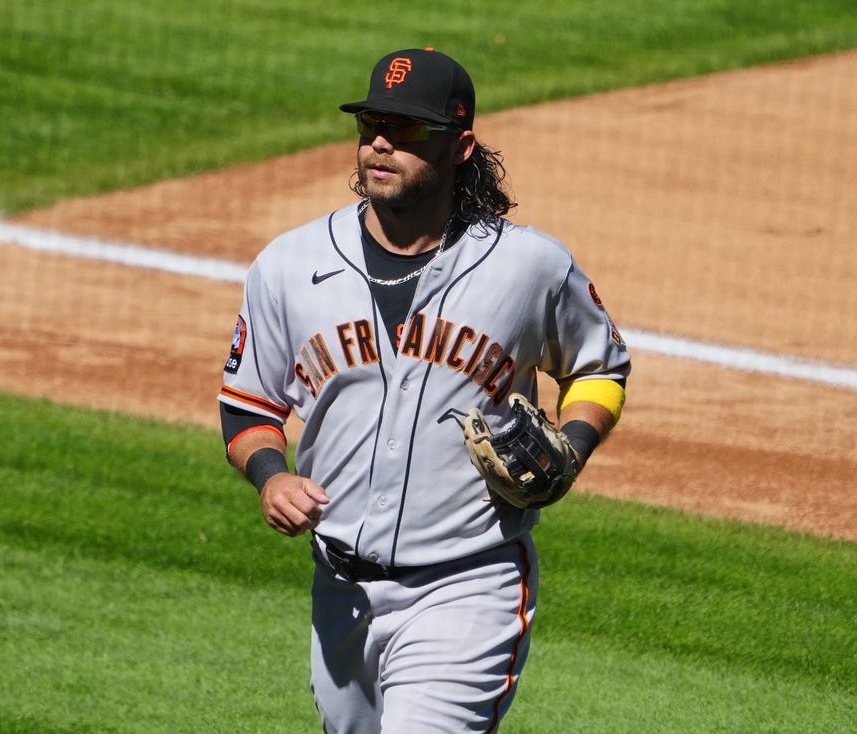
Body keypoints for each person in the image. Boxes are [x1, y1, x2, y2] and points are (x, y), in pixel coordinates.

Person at [218, 47, 631, 733]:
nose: (381, 141)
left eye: (407, 129)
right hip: (341, 591)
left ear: (460, 145)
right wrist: (269, 475)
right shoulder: (289, 266)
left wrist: (574, 444)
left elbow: (600, 365)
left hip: (467, 586)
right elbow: (248, 405)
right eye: (373, 123)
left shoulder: (527, 267)